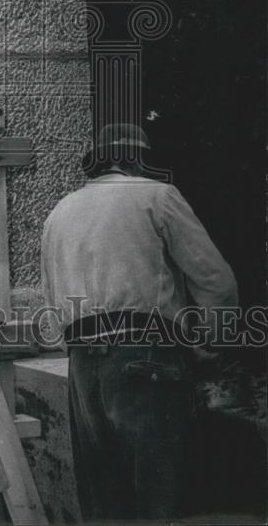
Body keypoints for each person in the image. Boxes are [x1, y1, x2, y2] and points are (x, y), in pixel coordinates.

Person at [41, 123, 238, 522]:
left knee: (103, 500)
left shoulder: (59, 212)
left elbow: (51, 306)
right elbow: (216, 281)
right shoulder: (157, 196)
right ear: (139, 159)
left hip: (83, 365)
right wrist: (213, 345)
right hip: (144, 355)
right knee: (158, 497)